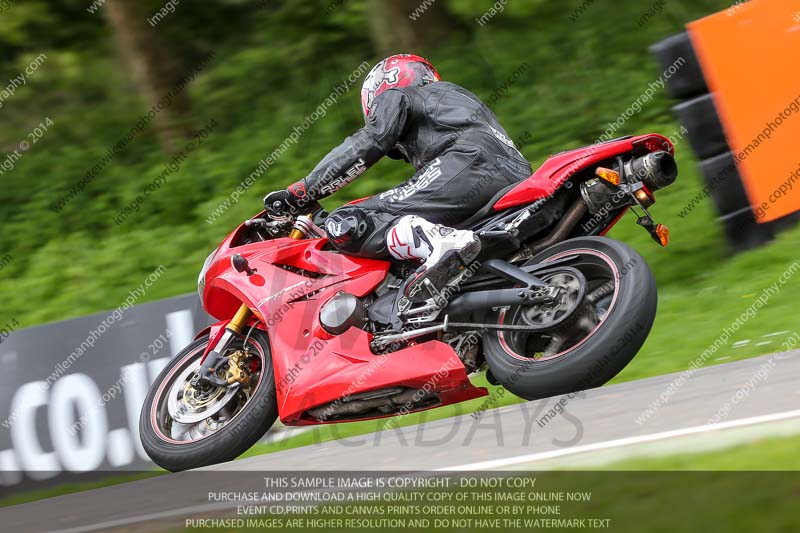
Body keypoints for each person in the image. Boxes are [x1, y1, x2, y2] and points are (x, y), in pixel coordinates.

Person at [264, 54, 532, 305]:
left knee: (346, 220)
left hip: (466, 164)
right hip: (515, 174)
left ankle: (440, 243)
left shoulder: (397, 96)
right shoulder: (458, 101)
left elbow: (371, 141)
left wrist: (304, 190)